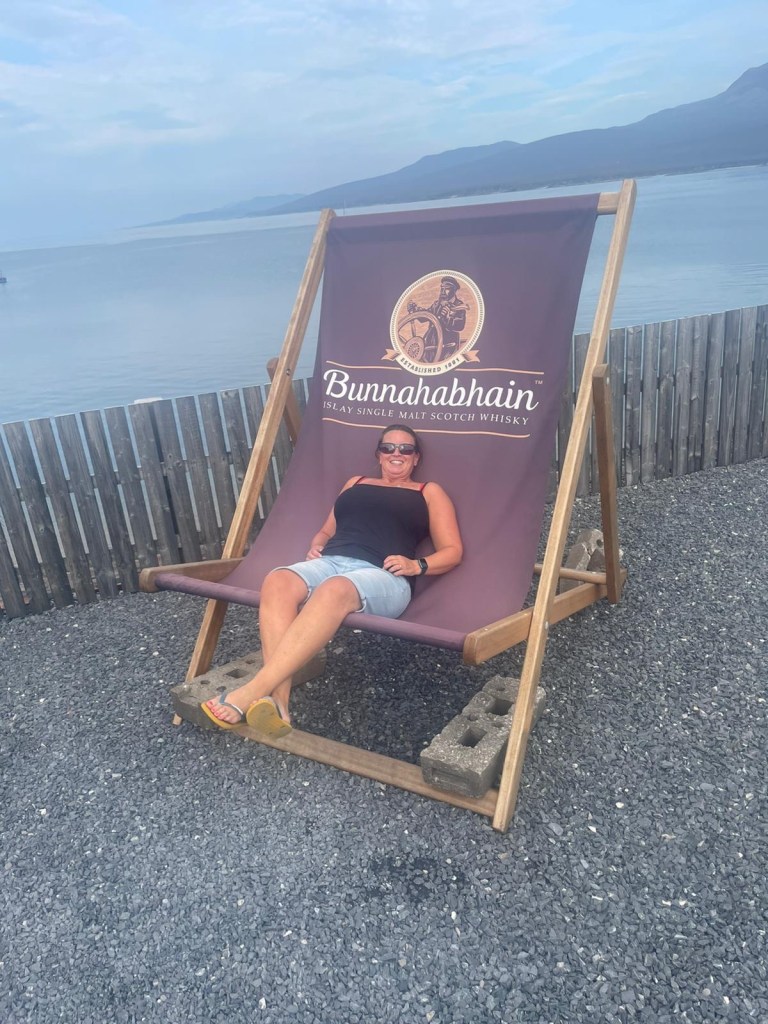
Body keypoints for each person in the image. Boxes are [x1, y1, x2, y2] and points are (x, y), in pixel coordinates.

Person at [201, 424, 463, 736]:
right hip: (331, 562)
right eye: (388, 447)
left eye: (406, 449)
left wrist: (416, 565)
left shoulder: (427, 492)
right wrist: (317, 545)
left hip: (384, 575)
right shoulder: (355, 483)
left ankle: (251, 691)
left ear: (416, 457)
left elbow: (453, 551)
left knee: (334, 588)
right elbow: (327, 530)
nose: (396, 453)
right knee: (278, 580)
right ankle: (279, 703)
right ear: (378, 454)